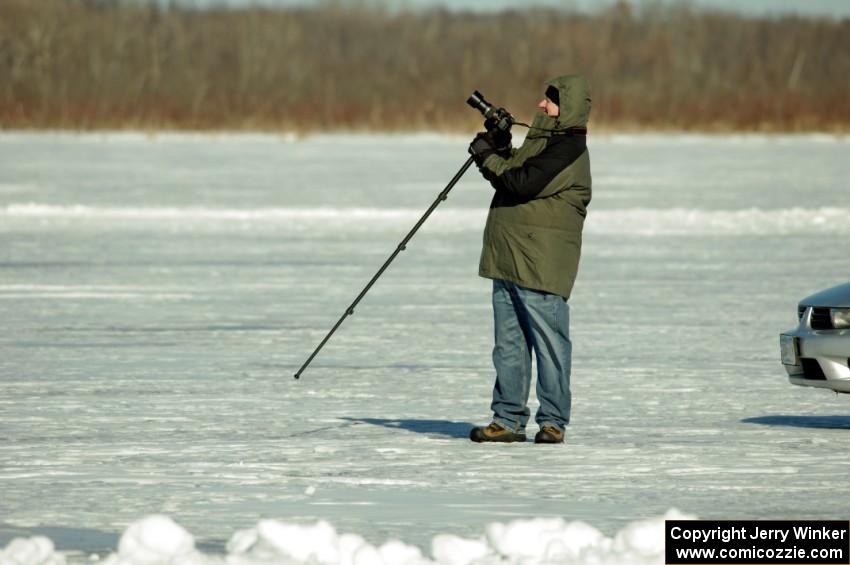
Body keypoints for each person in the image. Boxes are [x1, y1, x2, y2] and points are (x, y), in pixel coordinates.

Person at [467, 74, 592, 444]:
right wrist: (499, 149)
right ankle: (507, 420)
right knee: (508, 345)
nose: (541, 105)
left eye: (550, 101)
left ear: (565, 108)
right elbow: (514, 175)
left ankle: (553, 421)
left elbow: (522, 183)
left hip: (540, 265)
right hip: (509, 258)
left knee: (550, 346)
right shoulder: (543, 145)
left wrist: (487, 155)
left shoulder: (567, 152)